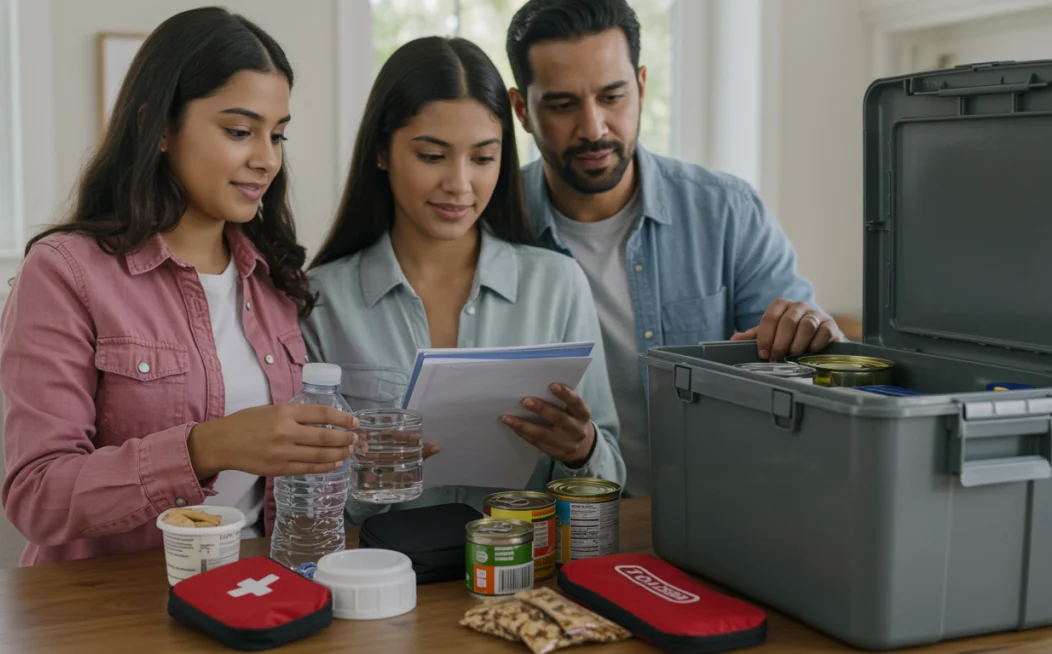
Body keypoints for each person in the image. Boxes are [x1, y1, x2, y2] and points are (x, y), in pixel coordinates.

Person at [0, 7, 356, 566]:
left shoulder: (274, 279)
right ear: (160, 127)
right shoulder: (66, 272)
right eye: (240, 131)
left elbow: (288, 482)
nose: (265, 159)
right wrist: (206, 447)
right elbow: (38, 496)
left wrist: (358, 456)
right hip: (114, 608)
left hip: (260, 586)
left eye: (277, 135)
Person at [506, 0, 846, 496]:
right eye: (562, 106)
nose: (594, 128)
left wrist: (812, 334)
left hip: (717, 509)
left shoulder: (726, 212)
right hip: (556, 520)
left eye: (612, 96)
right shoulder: (494, 227)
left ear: (641, 87)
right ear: (523, 111)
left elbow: (808, 375)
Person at [302, 36, 626, 522]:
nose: (459, 184)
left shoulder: (557, 285)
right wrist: (370, 473)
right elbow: (302, 494)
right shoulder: (320, 301)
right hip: (382, 579)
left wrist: (583, 450)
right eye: (432, 156)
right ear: (381, 152)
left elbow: (608, 482)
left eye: (482, 157)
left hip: (524, 571)